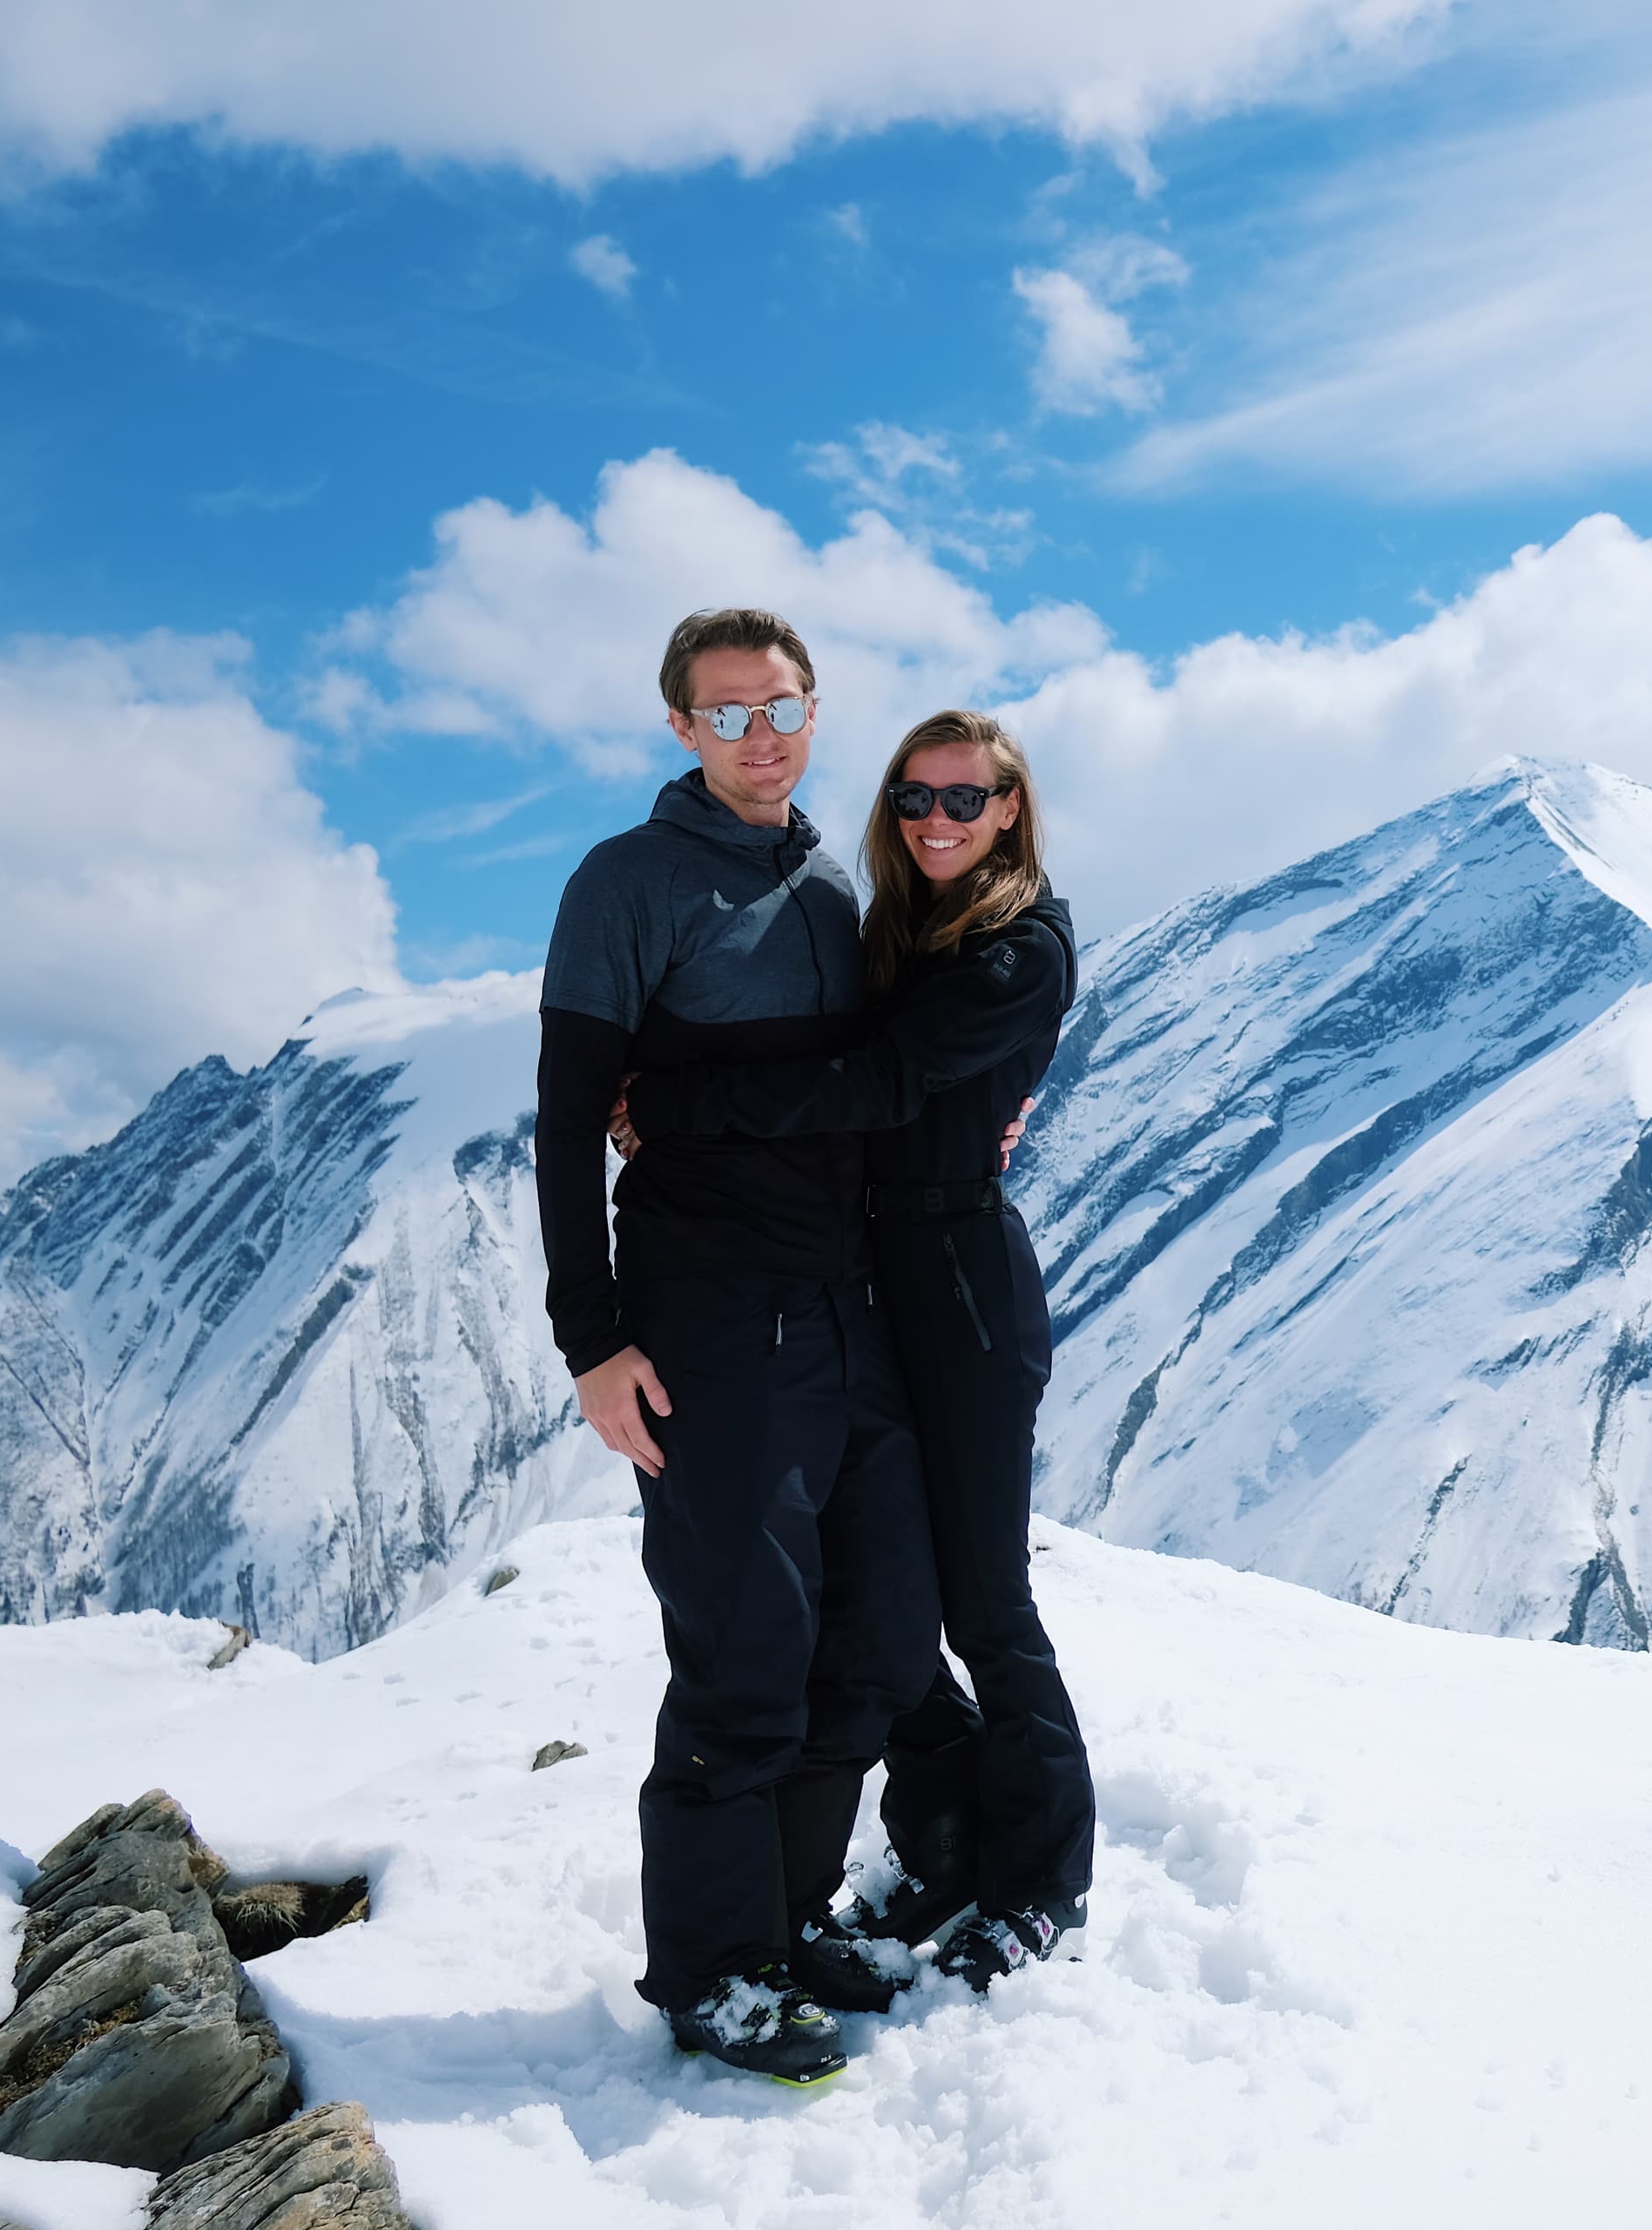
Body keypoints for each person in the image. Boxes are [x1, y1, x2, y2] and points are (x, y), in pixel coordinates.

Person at [617, 707, 1096, 1995]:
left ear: (1011, 808)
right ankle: (948, 1841)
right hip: (877, 1283)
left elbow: (874, 1087)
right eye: (914, 800)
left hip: (964, 1294)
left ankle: (1048, 1881)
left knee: (987, 1602)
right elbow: (863, 1079)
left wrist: (676, 1110)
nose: (937, 820)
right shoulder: (911, 931)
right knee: (894, 1597)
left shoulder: (1019, 946)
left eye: (965, 799)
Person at [536, 608, 941, 2086]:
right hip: (711, 1329)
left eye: (780, 708)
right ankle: (713, 1973)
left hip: (850, 1317)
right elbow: (572, 1117)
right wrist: (592, 1339)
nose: (758, 737)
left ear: (816, 710)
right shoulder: (628, 885)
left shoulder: (837, 881)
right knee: (743, 1654)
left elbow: (877, 1082)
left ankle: (790, 1915)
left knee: (882, 1637)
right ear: (679, 729)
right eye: (725, 715)